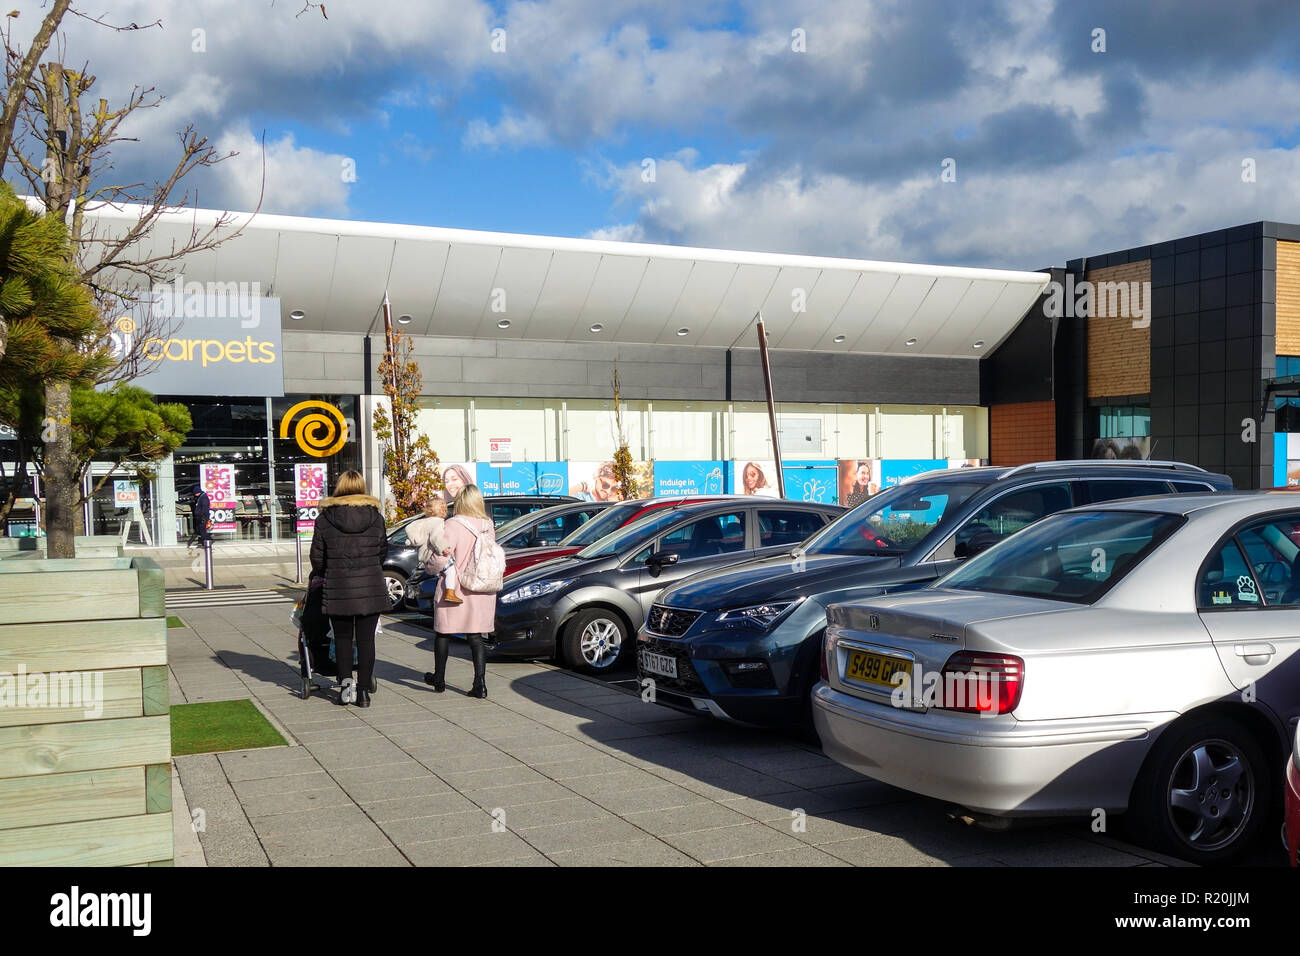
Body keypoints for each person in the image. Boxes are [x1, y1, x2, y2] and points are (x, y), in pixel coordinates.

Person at [309, 470, 388, 707]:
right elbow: (382, 552)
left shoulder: (324, 519)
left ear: (339, 488)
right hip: (370, 586)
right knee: (366, 641)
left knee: (342, 639)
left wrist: (327, 573)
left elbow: (317, 558)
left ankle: (345, 689)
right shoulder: (376, 518)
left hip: (338, 587)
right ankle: (363, 692)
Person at [422, 484, 497, 699]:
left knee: (443, 632)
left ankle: (439, 678)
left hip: (454, 590)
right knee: (476, 637)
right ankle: (480, 684)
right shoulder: (487, 525)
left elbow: (441, 557)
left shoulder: (452, 525)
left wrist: (429, 567)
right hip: (481, 588)